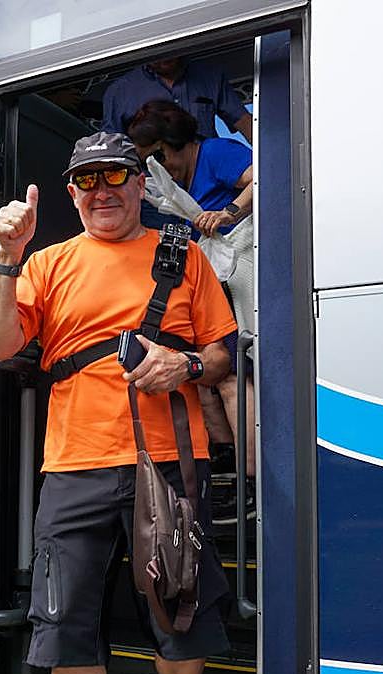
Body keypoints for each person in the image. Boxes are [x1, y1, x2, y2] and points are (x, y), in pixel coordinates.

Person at [0, 132, 236, 674]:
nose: (102, 191)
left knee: (181, 607)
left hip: (169, 459)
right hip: (73, 466)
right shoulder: (46, 262)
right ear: (71, 193)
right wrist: (7, 257)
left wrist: (185, 367)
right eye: (87, 180)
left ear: (139, 184)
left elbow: (220, 354)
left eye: (116, 176)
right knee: (63, 621)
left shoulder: (182, 256)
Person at [127, 101, 256, 519]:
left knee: (232, 376)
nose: (157, 166)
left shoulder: (215, 152)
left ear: (175, 142)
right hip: (209, 283)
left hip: (242, 278)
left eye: (158, 155)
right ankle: (224, 463)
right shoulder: (169, 186)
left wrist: (228, 212)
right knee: (203, 377)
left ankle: (252, 479)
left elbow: (265, 176)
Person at [102, 56, 252, 143]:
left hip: (210, 173)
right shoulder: (119, 91)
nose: (163, 56)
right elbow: (112, 146)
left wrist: (264, 160)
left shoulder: (209, 75)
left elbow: (244, 121)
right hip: (152, 182)